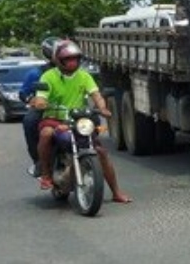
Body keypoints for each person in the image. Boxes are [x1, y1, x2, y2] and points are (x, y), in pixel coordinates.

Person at [33, 40, 131, 203]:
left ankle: (116, 192)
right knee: (46, 133)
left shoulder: (84, 76)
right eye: (68, 59)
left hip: (78, 119)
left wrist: (103, 108)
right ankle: (46, 174)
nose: (72, 63)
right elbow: (40, 97)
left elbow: (96, 94)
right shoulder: (48, 76)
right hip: (54, 118)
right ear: (59, 60)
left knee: (100, 151)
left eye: (75, 59)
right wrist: (40, 102)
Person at [20, 37, 58, 175]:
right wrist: (32, 100)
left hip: (69, 109)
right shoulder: (36, 73)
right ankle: (38, 161)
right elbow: (23, 93)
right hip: (45, 110)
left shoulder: (76, 72)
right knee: (29, 122)